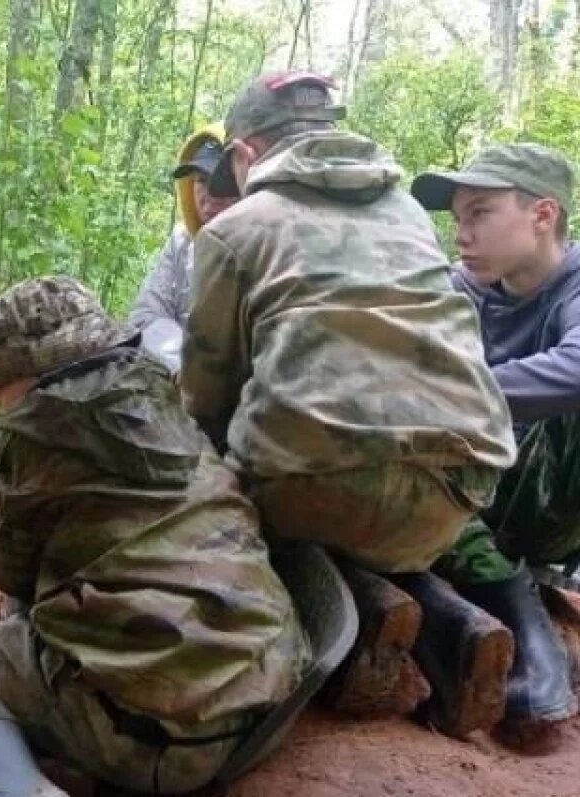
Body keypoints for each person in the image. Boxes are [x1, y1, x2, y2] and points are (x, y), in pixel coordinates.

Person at [0, 276, 309, 796]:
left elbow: (17, 578)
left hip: (148, 734)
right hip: (266, 698)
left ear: (27, 376)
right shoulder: (172, 399)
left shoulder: (29, 434)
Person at [180, 71, 519, 735]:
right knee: (366, 491)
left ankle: (353, 625)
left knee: (230, 485)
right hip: (456, 494)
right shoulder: (412, 215)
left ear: (245, 154)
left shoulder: (234, 229)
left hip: (313, 494)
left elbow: (204, 403)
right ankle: (456, 625)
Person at [410, 143, 579, 732]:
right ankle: (506, 603)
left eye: (480, 213)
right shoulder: (460, 290)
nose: (463, 234)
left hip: (555, 504)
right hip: (473, 496)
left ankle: (531, 626)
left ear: (543, 215)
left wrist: (461, 390)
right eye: (458, 218)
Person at [129, 124, 237, 371]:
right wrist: (186, 366)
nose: (210, 195)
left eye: (224, 182)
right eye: (201, 180)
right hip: (183, 383)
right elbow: (146, 316)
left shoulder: (272, 248)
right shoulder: (182, 242)